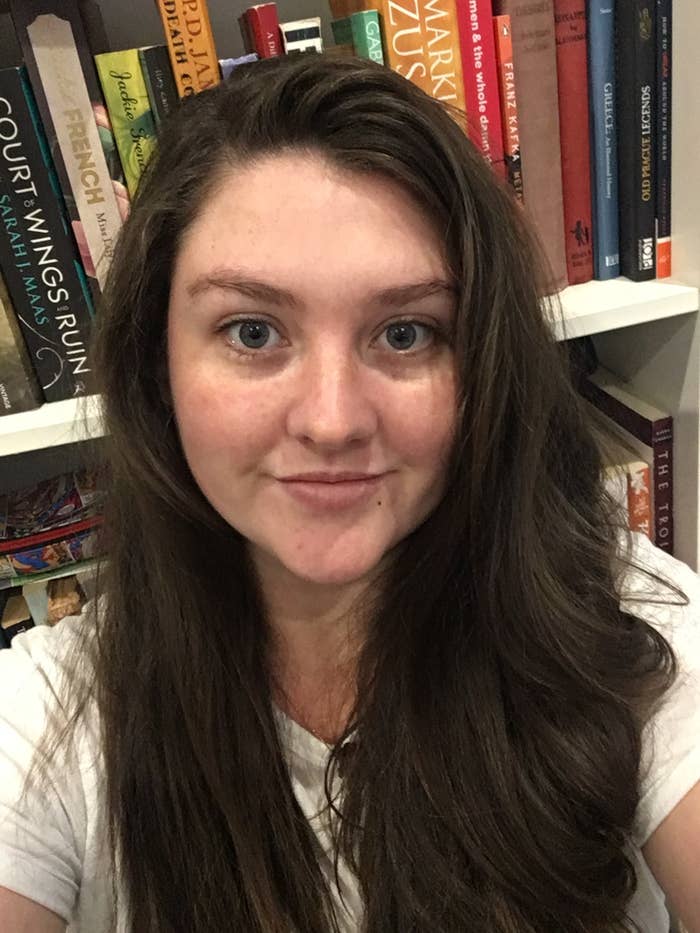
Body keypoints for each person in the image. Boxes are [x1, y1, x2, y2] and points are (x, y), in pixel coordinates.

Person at [0, 53, 698, 933]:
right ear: (155, 364)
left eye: (405, 332)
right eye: (253, 331)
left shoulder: (632, 630)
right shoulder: (48, 723)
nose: (332, 421)